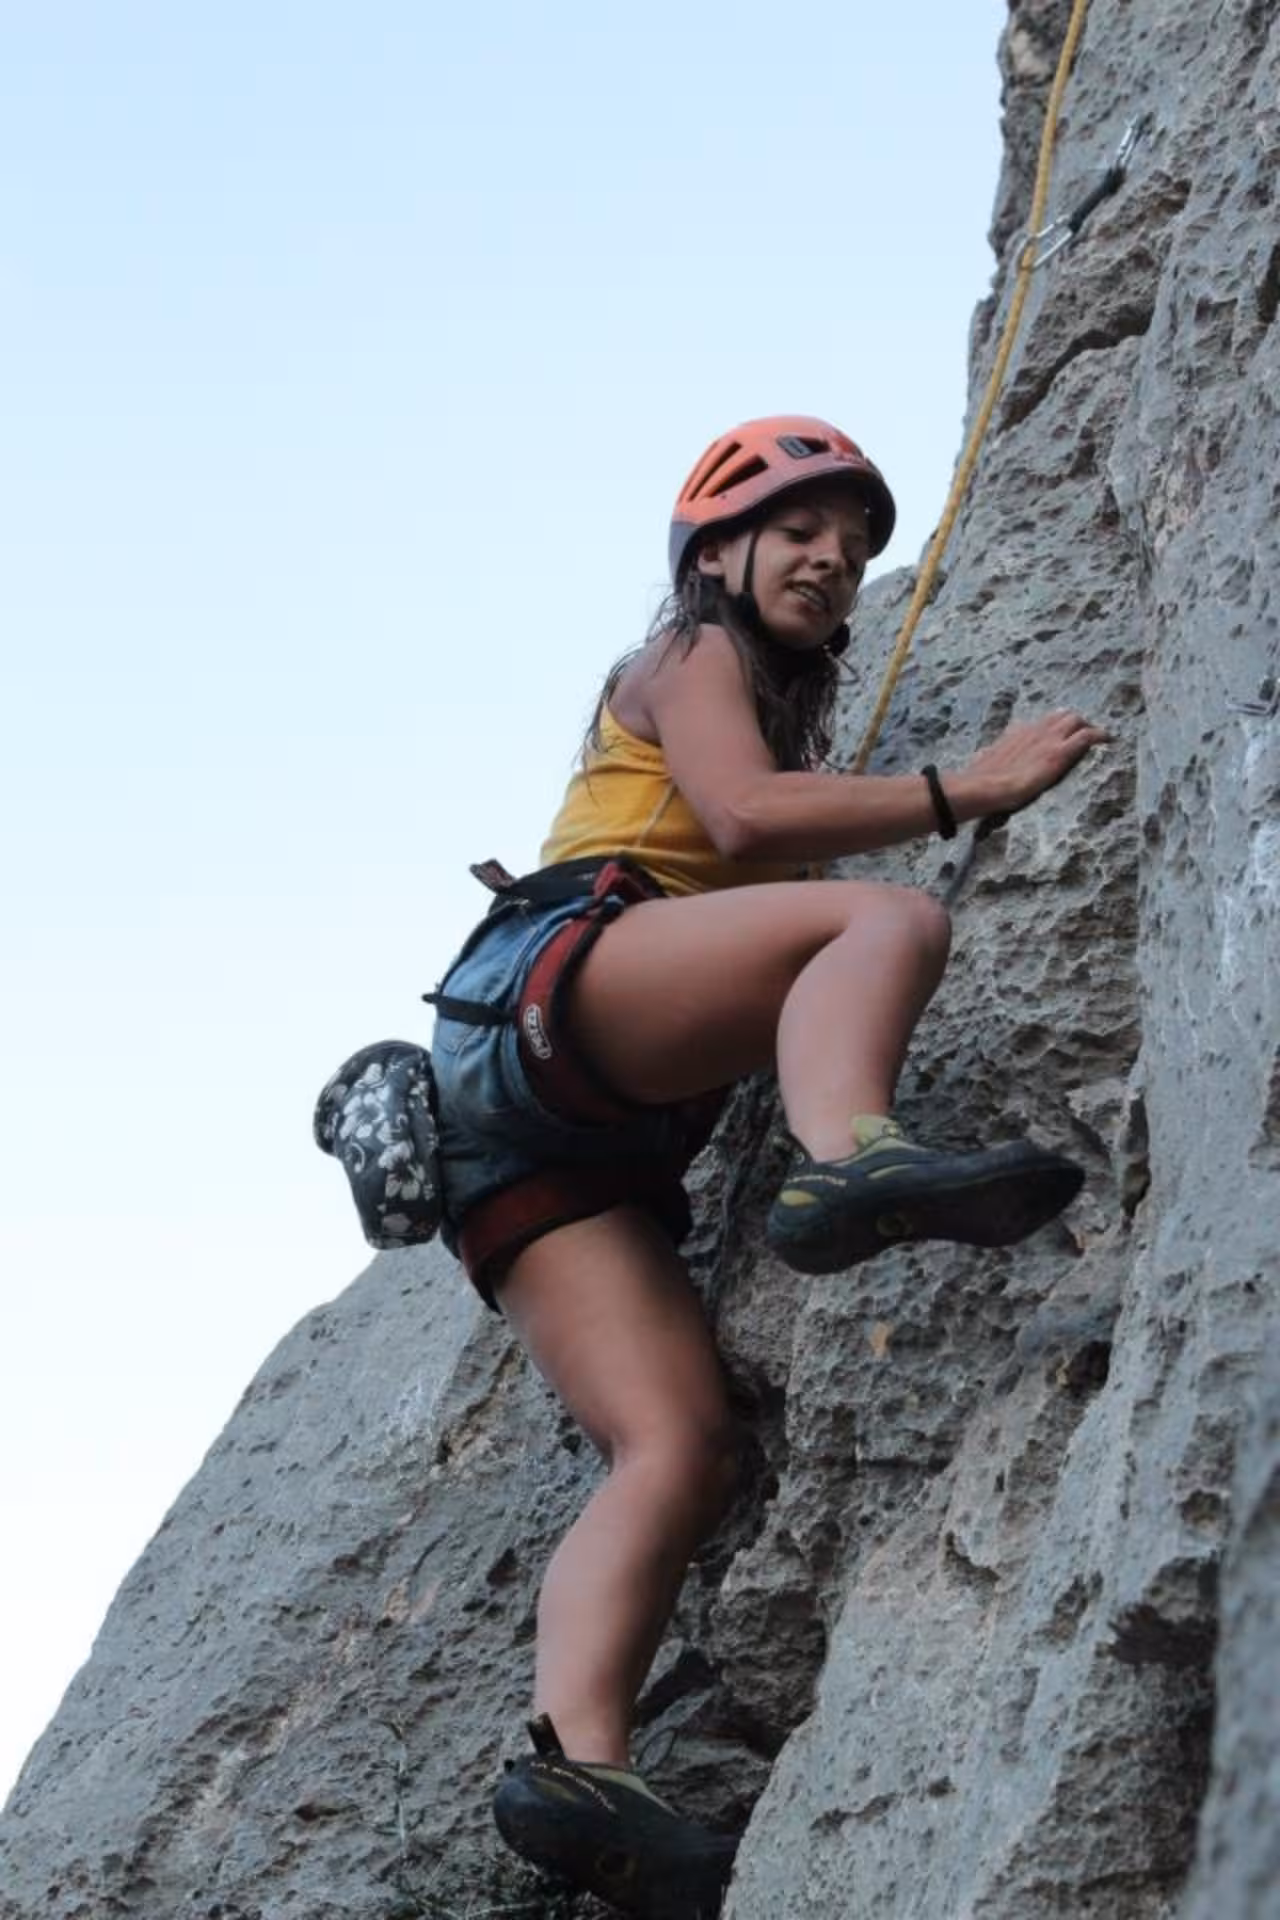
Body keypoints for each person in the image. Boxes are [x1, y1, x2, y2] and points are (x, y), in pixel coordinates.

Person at [425, 415, 1107, 1917]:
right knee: (886, 924)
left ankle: (579, 1762)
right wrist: (960, 789)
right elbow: (737, 815)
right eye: (799, 529)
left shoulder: (748, 683)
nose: (832, 561)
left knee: (676, 1444)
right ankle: (848, 1156)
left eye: (854, 549)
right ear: (716, 553)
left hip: (534, 1145)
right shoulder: (686, 653)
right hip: (564, 998)